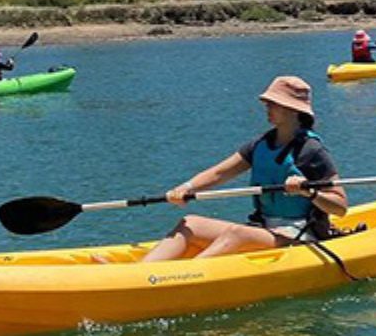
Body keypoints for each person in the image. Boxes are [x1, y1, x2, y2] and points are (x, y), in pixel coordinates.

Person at [142, 76, 347, 262]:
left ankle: (182, 277)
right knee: (190, 223)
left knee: (239, 233)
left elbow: (340, 207)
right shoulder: (261, 144)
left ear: (293, 109)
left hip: (300, 234)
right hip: (265, 228)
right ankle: (142, 271)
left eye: (273, 104)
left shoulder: (311, 151)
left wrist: (308, 191)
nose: (267, 108)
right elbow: (219, 173)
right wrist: (186, 188)